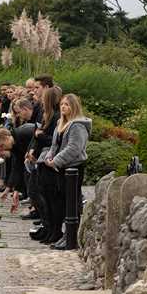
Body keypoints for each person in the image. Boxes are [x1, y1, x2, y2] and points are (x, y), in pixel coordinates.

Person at [40, 93, 91, 249]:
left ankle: (71, 237)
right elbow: (55, 145)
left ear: (73, 107)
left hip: (73, 167)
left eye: (67, 105)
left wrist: (56, 161)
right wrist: (49, 157)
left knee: (72, 202)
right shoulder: (60, 123)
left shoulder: (78, 125)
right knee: (61, 201)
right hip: (60, 168)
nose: (63, 107)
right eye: (62, 104)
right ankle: (63, 234)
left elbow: (74, 148)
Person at [29, 86, 63, 243]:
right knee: (42, 195)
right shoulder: (48, 116)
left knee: (51, 198)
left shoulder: (56, 117)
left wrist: (41, 136)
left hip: (49, 159)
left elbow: (56, 141)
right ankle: (47, 227)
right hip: (41, 157)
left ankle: (54, 230)